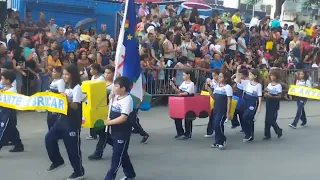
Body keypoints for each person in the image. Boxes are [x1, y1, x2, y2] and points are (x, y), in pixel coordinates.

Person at [45, 64, 85, 180]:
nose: (65, 76)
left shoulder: (77, 87)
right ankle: (57, 161)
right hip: (61, 119)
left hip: (72, 121)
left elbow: (76, 106)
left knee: (72, 149)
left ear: (72, 74)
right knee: (49, 138)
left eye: (67, 74)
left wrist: (66, 100)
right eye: (64, 74)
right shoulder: (66, 86)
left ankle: (78, 171)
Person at [104, 76, 136, 180]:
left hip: (122, 132)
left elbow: (123, 118)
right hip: (114, 131)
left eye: (116, 86)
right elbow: (110, 110)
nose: (114, 88)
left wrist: (109, 122)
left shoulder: (127, 99)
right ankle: (130, 174)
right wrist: (110, 99)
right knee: (122, 154)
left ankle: (109, 177)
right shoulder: (116, 97)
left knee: (116, 158)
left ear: (123, 88)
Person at [88, 65, 115, 160]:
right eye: (105, 72)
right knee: (102, 132)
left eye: (109, 73)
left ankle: (98, 153)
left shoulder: (114, 85)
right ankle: (118, 146)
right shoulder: (101, 83)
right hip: (99, 111)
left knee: (103, 133)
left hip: (109, 111)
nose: (107, 75)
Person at [206, 70, 232, 149]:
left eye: (221, 77)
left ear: (226, 78)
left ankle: (222, 140)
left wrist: (228, 112)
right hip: (216, 108)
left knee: (218, 124)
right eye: (219, 76)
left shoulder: (227, 87)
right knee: (215, 125)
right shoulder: (217, 86)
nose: (219, 78)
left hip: (222, 109)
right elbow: (214, 97)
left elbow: (229, 100)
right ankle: (217, 141)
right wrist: (209, 89)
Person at [0, 71, 24, 152]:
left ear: (8, 80)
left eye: (2, 78)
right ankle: (18, 145)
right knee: (12, 130)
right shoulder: (5, 89)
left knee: (4, 130)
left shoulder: (12, 91)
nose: (1, 80)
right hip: (4, 112)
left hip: (9, 114)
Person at [170, 70, 195, 140]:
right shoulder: (183, 83)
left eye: (184, 75)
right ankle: (180, 132)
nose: (183, 76)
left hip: (188, 102)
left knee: (188, 118)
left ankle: (188, 134)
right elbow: (179, 90)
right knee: (177, 117)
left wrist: (180, 94)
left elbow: (187, 93)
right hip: (181, 102)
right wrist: (173, 86)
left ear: (188, 75)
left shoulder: (191, 84)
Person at [242, 69, 262, 142]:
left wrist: (259, 106)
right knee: (249, 119)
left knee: (246, 117)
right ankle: (250, 134)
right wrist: (237, 70)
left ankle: (248, 133)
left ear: (255, 76)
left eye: (251, 75)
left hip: (253, 102)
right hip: (245, 100)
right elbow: (237, 79)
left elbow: (259, 96)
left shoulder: (258, 85)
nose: (249, 76)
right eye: (249, 74)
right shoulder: (247, 82)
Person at [86, 63, 105, 140]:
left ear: (96, 70)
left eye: (91, 69)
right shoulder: (93, 77)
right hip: (92, 99)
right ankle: (93, 133)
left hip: (99, 100)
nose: (90, 71)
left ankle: (96, 133)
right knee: (92, 116)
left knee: (98, 116)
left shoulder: (101, 78)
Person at [264, 70, 283, 140]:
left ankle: (278, 130)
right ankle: (267, 134)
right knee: (267, 119)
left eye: (274, 76)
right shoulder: (269, 84)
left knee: (271, 118)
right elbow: (266, 91)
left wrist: (272, 96)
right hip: (268, 101)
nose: (272, 77)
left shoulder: (278, 86)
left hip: (274, 102)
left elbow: (280, 96)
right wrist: (265, 94)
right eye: (271, 76)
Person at [204, 69, 219, 138]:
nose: (213, 77)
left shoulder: (220, 83)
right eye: (212, 75)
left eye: (215, 75)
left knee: (217, 119)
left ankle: (217, 132)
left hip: (218, 102)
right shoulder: (212, 82)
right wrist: (207, 81)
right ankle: (209, 131)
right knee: (212, 117)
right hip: (212, 102)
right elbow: (207, 85)